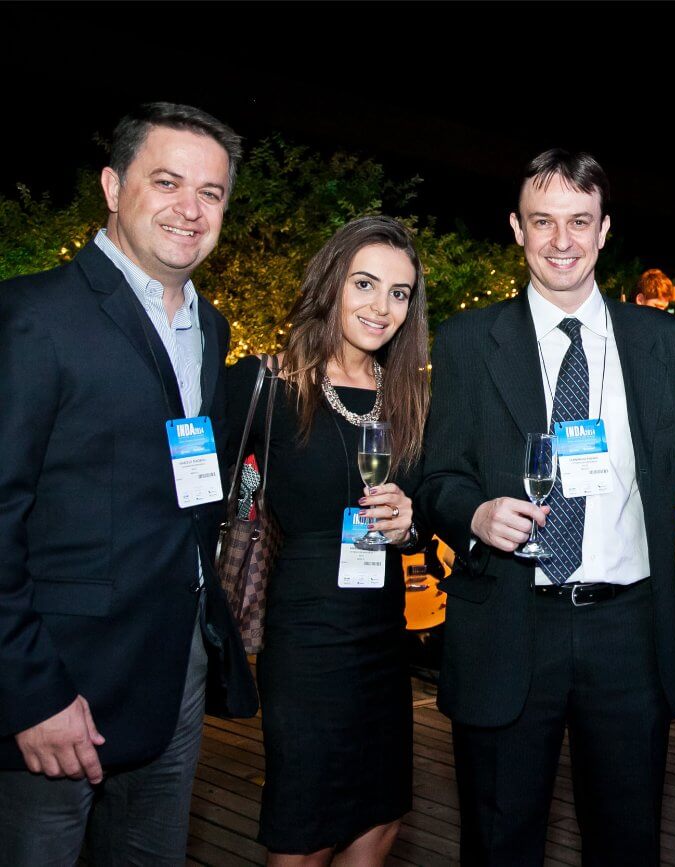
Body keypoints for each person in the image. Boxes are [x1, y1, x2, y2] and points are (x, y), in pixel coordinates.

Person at [414, 148, 675, 866]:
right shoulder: (468, 341)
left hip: (628, 631)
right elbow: (438, 477)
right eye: (543, 221)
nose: (562, 240)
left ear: (604, 229)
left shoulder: (661, 342)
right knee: (500, 841)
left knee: (627, 842)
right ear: (517, 228)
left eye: (579, 221)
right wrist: (474, 514)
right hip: (509, 621)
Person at [0, 102, 255, 864]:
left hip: (173, 678)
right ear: (113, 186)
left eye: (210, 192)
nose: (190, 209)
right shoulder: (34, 316)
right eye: (167, 182)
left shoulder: (210, 328)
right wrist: (30, 692)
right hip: (58, 693)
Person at [225, 216, 429, 864]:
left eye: (399, 292)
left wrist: (410, 522)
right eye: (365, 284)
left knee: (381, 821)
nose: (381, 307)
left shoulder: (410, 397)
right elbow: (201, 492)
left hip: (384, 634)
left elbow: (428, 510)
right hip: (307, 641)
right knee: (305, 834)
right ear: (331, 282)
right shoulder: (267, 384)